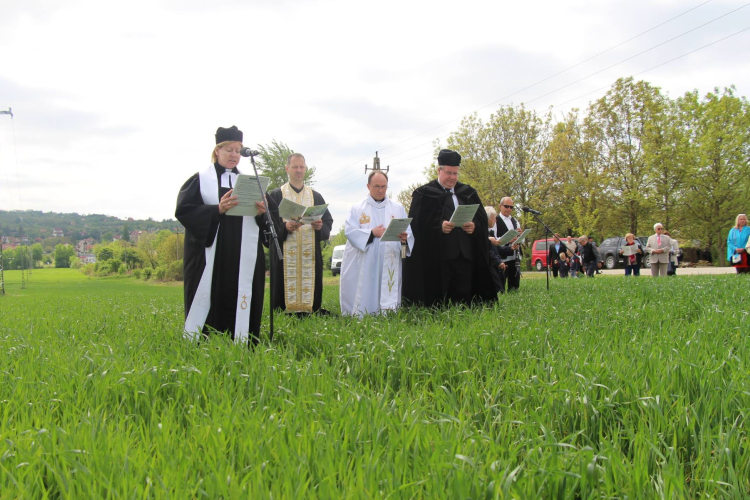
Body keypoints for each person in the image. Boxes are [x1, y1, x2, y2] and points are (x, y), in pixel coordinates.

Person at [176, 125, 270, 345]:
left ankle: (243, 339)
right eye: (229, 149)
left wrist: (261, 213)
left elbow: (267, 222)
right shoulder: (200, 180)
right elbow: (184, 210)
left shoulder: (249, 183)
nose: (235, 154)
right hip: (212, 255)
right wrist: (217, 209)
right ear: (217, 150)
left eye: (238, 150)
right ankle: (205, 340)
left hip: (241, 255)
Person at [402, 149, 496, 306]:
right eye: (449, 173)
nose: (452, 177)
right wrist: (439, 227)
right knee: (440, 297)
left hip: (465, 254)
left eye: (455, 173)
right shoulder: (424, 194)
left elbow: (481, 221)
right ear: (439, 170)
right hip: (439, 256)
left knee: (465, 294)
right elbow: (416, 225)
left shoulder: (468, 193)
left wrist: (474, 227)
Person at [340, 170, 414, 317]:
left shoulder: (397, 208)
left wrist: (405, 238)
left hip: (390, 255)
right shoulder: (357, 208)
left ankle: (389, 312)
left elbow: (408, 232)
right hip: (366, 259)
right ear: (368, 186)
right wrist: (372, 233)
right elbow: (350, 232)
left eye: (384, 186)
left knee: (388, 283)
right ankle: (363, 314)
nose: (381, 190)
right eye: (376, 186)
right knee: (367, 286)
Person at [268, 153, 333, 314]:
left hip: (309, 254)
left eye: (301, 167)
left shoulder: (315, 196)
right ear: (287, 169)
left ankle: (310, 308)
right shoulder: (276, 195)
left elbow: (328, 222)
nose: (298, 170)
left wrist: (320, 226)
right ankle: (282, 309)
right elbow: (268, 224)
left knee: (310, 284)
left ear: (305, 169)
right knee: (282, 286)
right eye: (295, 167)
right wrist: (285, 227)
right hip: (284, 252)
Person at [495, 197, 523, 292]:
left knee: (514, 285)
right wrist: (508, 240)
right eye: (506, 206)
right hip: (502, 256)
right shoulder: (495, 220)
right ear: (500, 206)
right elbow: (494, 239)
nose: (509, 209)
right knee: (501, 285)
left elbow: (521, 240)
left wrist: (520, 237)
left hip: (514, 256)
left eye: (511, 207)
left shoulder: (515, 221)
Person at [486, 206, 506, 293]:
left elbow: (498, 249)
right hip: (489, 266)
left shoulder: (490, 233)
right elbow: (487, 251)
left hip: (494, 263)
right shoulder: (484, 234)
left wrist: (511, 248)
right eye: (493, 218)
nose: (495, 221)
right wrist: (498, 262)